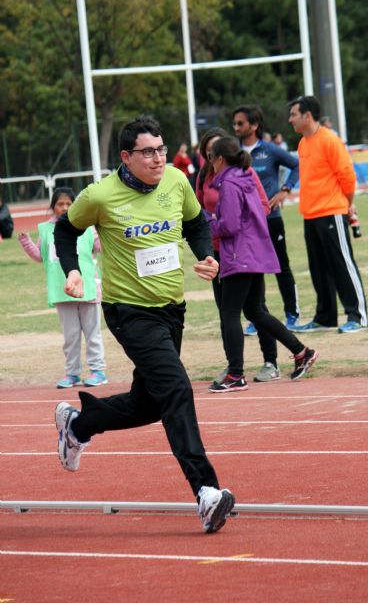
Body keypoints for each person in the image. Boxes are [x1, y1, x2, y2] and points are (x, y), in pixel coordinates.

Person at [53, 115, 235, 534]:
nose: (157, 158)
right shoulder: (100, 195)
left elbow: (195, 223)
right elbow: (66, 231)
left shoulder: (175, 180)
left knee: (151, 402)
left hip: (172, 308)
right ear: (126, 157)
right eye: (147, 152)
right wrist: (73, 270)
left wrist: (207, 255)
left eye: (161, 149)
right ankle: (206, 492)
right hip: (129, 311)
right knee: (175, 387)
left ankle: (79, 425)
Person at [204, 136, 318, 392]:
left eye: (211, 158)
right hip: (255, 252)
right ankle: (302, 351)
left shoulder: (230, 183)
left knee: (230, 312)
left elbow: (230, 226)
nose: (209, 163)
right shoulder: (245, 177)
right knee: (255, 311)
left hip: (239, 255)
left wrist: (209, 221)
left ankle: (235, 374)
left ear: (220, 159)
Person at [196, 127, 282, 385]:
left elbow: (263, 206)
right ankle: (233, 364)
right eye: (208, 152)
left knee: (254, 309)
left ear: (225, 154)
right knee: (226, 312)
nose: (212, 157)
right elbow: (199, 211)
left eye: (216, 151)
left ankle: (270, 361)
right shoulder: (204, 177)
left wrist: (236, 228)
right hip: (218, 252)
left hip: (242, 251)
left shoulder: (241, 175)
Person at [288, 95, 368, 333]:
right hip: (310, 214)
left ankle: (357, 315)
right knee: (318, 268)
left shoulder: (329, 140)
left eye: (293, 114)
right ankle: (325, 317)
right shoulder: (303, 143)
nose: (289, 119)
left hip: (332, 211)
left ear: (308, 115)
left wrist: (347, 204)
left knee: (342, 264)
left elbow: (347, 176)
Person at [18, 187, 107, 388]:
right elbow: (41, 257)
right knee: (71, 337)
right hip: (62, 290)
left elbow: (101, 247)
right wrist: (26, 241)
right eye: (60, 204)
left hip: (88, 289)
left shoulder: (88, 227)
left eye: (69, 204)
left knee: (92, 333)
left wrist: (106, 228)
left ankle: (98, 371)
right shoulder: (46, 230)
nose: (65, 208)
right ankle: (72, 374)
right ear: (52, 207)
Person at [232, 104, 301, 343]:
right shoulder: (233, 153)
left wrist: (285, 190)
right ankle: (256, 317)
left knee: (282, 267)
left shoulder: (270, 150)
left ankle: (292, 314)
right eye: (235, 124)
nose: (236, 127)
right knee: (253, 273)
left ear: (254, 125)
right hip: (246, 227)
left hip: (271, 220)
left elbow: (296, 165)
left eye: (240, 123)